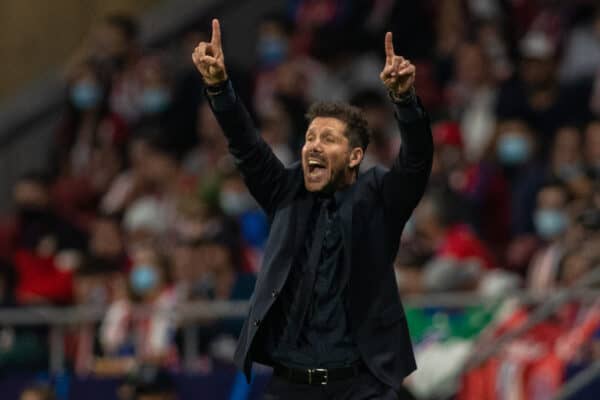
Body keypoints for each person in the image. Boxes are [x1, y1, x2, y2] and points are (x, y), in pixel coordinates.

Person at [192, 19, 432, 399]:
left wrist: (405, 101)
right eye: (309, 138)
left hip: (361, 387)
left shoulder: (380, 196)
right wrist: (219, 88)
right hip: (290, 385)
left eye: (328, 139)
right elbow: (246, 145)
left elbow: (417, 162)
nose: (314, 146)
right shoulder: (283, 189)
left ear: (355, 156)